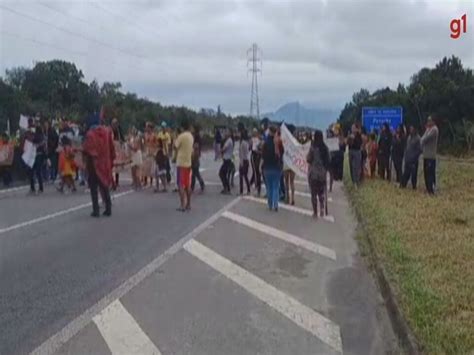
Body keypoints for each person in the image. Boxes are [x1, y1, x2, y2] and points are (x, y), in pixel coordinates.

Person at [83, 112, 115, 217]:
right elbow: (111, 148)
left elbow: (87, 150)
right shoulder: (107, 132)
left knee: (93, 188)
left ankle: (96, 210)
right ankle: (108, 208)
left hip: (93, 164)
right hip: (104, 163)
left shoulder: (90, 134)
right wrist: (111, 159)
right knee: (104, 185)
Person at [307, 130, 330, 218]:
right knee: (321, 192)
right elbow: (328, 160)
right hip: (322, 174)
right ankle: (322, 209)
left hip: (313, 174)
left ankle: (315, 212)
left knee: (313, 193)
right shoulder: (325, 148)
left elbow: (308, 159)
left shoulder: (313, 148)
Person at [261, 126, 284, 211]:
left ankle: (270, 204)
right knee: (275, 186)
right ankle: (276, 204)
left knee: (269, 187)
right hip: (277, 167)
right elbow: (282, 153)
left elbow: (262, 155)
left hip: (267, 167)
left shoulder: (265, 142)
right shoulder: (279, 142)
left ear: (269, 131)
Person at [174, 120, 194, 211]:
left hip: (181, 163)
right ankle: (188, 204)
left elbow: (175, 146)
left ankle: (182, 205)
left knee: (181, 185)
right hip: (188, 162)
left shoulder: (181, 136)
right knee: (187, 184)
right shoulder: (191, 136)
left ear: (182, 127)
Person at [421, 116, 439, 194]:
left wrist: (426, 131)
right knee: (426, 173)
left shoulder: (434, 129)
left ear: (433, 121)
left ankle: (431, 190)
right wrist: (426, 130)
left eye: (430, 120)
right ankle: (427, 188)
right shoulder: (428, 129)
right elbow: (422, 140)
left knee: (430, 173)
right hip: (426, 154)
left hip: (431, 155)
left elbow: (425, 139)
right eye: (428, 120)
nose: (428, 122)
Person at [29, 121, 46, 194]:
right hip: (39, 155)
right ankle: (40, 188)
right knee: (38, 172)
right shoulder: (42, 137)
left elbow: (33, 144)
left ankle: (33, 188)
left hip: (35, 155)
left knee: (33, 172)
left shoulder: (37, 136)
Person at [111, 118, 125, 189]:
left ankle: (116, 181)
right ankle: (112, 181)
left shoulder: (119, 131)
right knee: (111, 166)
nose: (114, 125)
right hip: (112, 148)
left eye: (115, 123)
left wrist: (120, 142)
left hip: (117, 149)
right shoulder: (110, 130)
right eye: (113, 123)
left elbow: (122, 139)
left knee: (117, 166)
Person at [283, 125, 296, 205]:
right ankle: (293, 198)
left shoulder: (284, 141)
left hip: (286, 163)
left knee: (286, 182)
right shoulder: (294, 142)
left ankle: (287, 198)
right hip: (293, 163)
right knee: (292, 182)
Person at [219, 129, 234, 194]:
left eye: (227, 132)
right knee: (223, 174)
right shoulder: (229, 140)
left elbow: (224, 149)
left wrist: (221, 150)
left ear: (230, 134)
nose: (225, 133)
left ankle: (227, 188)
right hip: (227, 159)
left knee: (221, 173)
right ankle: (226, 188)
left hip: (227, 160)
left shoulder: (229, 141)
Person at [142, 122, 157, 187]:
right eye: (146, 127)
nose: (147, 128)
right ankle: (145, 181)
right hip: (146, 151)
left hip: (152, 151)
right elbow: (144, 143)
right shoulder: (145, 134)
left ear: (151, 128)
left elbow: (156, 144)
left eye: (148, 127)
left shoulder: (154, 135)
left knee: (151, 167)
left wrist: (154, 151)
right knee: (145, 167)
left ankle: (151, 182)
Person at [191, 126, 205, 193]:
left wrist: (193, 158)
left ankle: (197, 185)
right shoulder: (197, 140)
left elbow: (195, 152)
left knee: (195, 173)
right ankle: (193, 186)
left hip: (195, 160)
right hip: (196, 159)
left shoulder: (196, 143)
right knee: (195, 173)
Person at [249, 128, 262, 196]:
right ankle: (255, 185)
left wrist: (257, 150)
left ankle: (257, 188)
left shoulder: (259, 140)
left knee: (257, 173)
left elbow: (260, 149)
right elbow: (250, 148)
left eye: (255, 132)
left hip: (256, 156)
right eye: (253, 132)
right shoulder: (253, 139)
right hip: (255, 156)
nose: (254, 133)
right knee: (256, 172)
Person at [239, 129, 251, 195]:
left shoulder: (242, 143)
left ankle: (241, 191)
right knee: (245, 176)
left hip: (243, 160)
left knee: (241, 176)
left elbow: (241, 154)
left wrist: (241, 163)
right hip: (247, 160)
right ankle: (248, 189)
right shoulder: (247, 142)